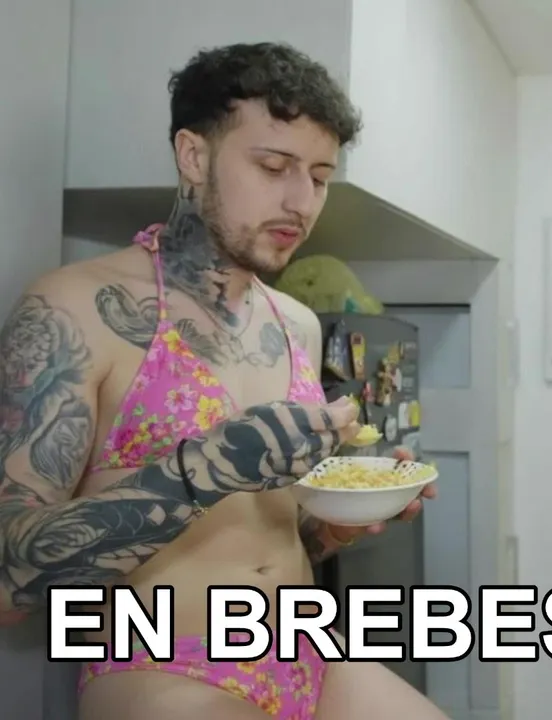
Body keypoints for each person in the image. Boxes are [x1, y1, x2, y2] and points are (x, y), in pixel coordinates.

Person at [0, 43, 448, 719]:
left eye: (320, 177)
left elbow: (267, 533)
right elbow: (9, 580)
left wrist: (336, 526)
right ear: (193, 155)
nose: (301, 201)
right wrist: (204, 470)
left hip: (306, 646)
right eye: (273, 167)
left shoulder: (297, 325)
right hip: (164, 665)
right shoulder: (74, 307)